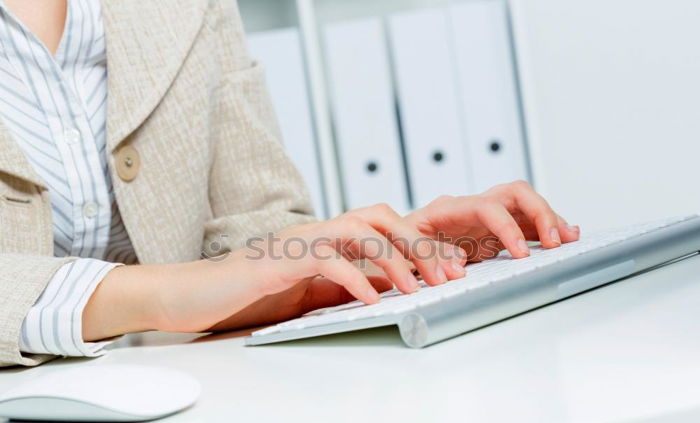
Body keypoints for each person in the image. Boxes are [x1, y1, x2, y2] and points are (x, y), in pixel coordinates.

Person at [0, 0, 579, 368]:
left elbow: (255, 230)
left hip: (210, 395)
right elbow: (203, 284)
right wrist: (163, 294)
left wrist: (380, 257)